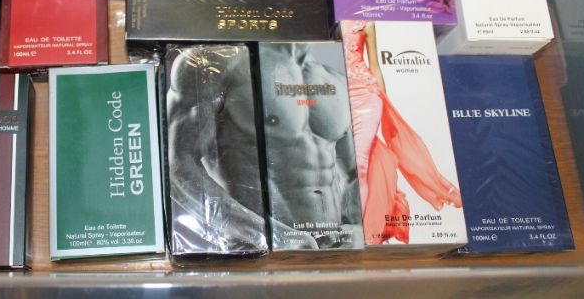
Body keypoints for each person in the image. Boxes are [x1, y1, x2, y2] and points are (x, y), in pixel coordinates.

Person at [343, 21, 462, 244]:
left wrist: (384, 105)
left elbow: (375, 65)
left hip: (366, 97)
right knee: (340, 166)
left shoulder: (365, 21)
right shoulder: (328, 19)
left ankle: (360, 232)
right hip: (336, 94)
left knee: (360, 165)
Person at [164, 44, 270, 255]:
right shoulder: (205, 61)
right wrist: (266, 234)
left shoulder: (330, 74)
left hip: (329, 244)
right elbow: (177, 164)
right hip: (247, 244)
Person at [259, 42, 362, 250]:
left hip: (334, 248)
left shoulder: (339, 82)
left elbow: (356, 174)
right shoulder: (234, 69)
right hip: (268, 249)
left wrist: (359, 228)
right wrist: (269, 234)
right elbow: (189, 172)